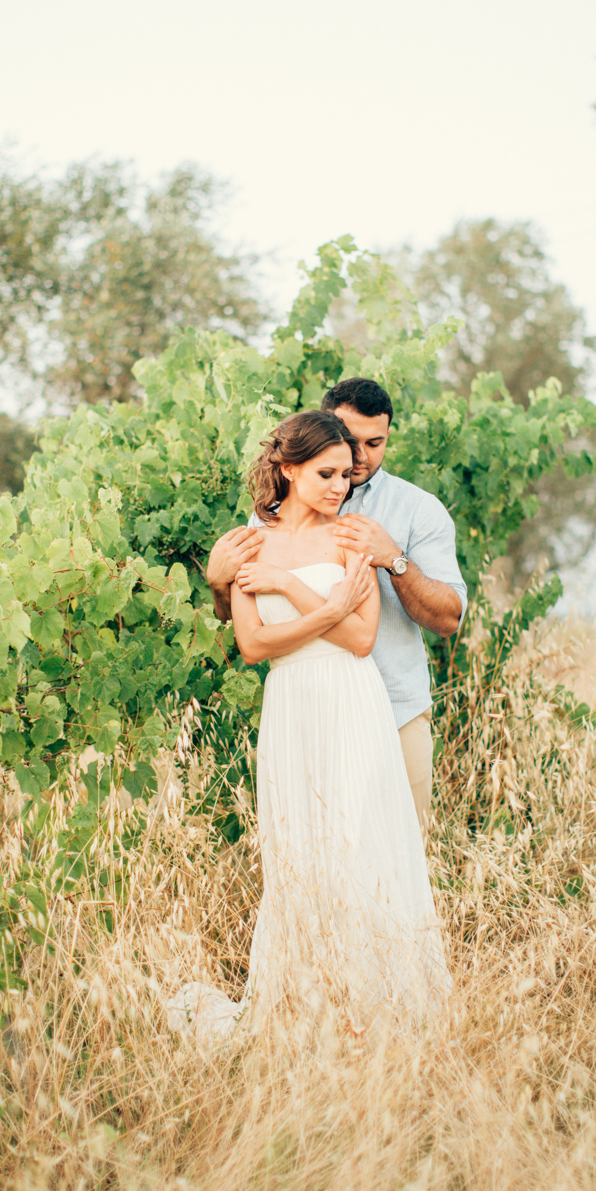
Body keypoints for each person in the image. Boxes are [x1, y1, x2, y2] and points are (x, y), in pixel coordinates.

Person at [169, 411, 451, 1038]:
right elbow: (253, 646)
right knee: (301, 849)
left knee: (360, 842)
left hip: (353, 700)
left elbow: (360, 637)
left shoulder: (353, 538)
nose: (340, 488)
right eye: (326, 474)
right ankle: (307, 1000)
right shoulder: (249, 543)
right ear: (289, 468)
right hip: (292, 705)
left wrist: (293, 589)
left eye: (347, 476)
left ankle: (371, 1005)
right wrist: (323, 603)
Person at [207, 378, 468, 834]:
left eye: (375, 442)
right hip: (306, 713)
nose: (360, 457)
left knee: (396, 858)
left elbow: (448, 618)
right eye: (350, 441)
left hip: (395, 707)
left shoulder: (416, 509)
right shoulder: (263, 521)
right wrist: (216, 583)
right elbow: (245, 621)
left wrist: (394, 559)